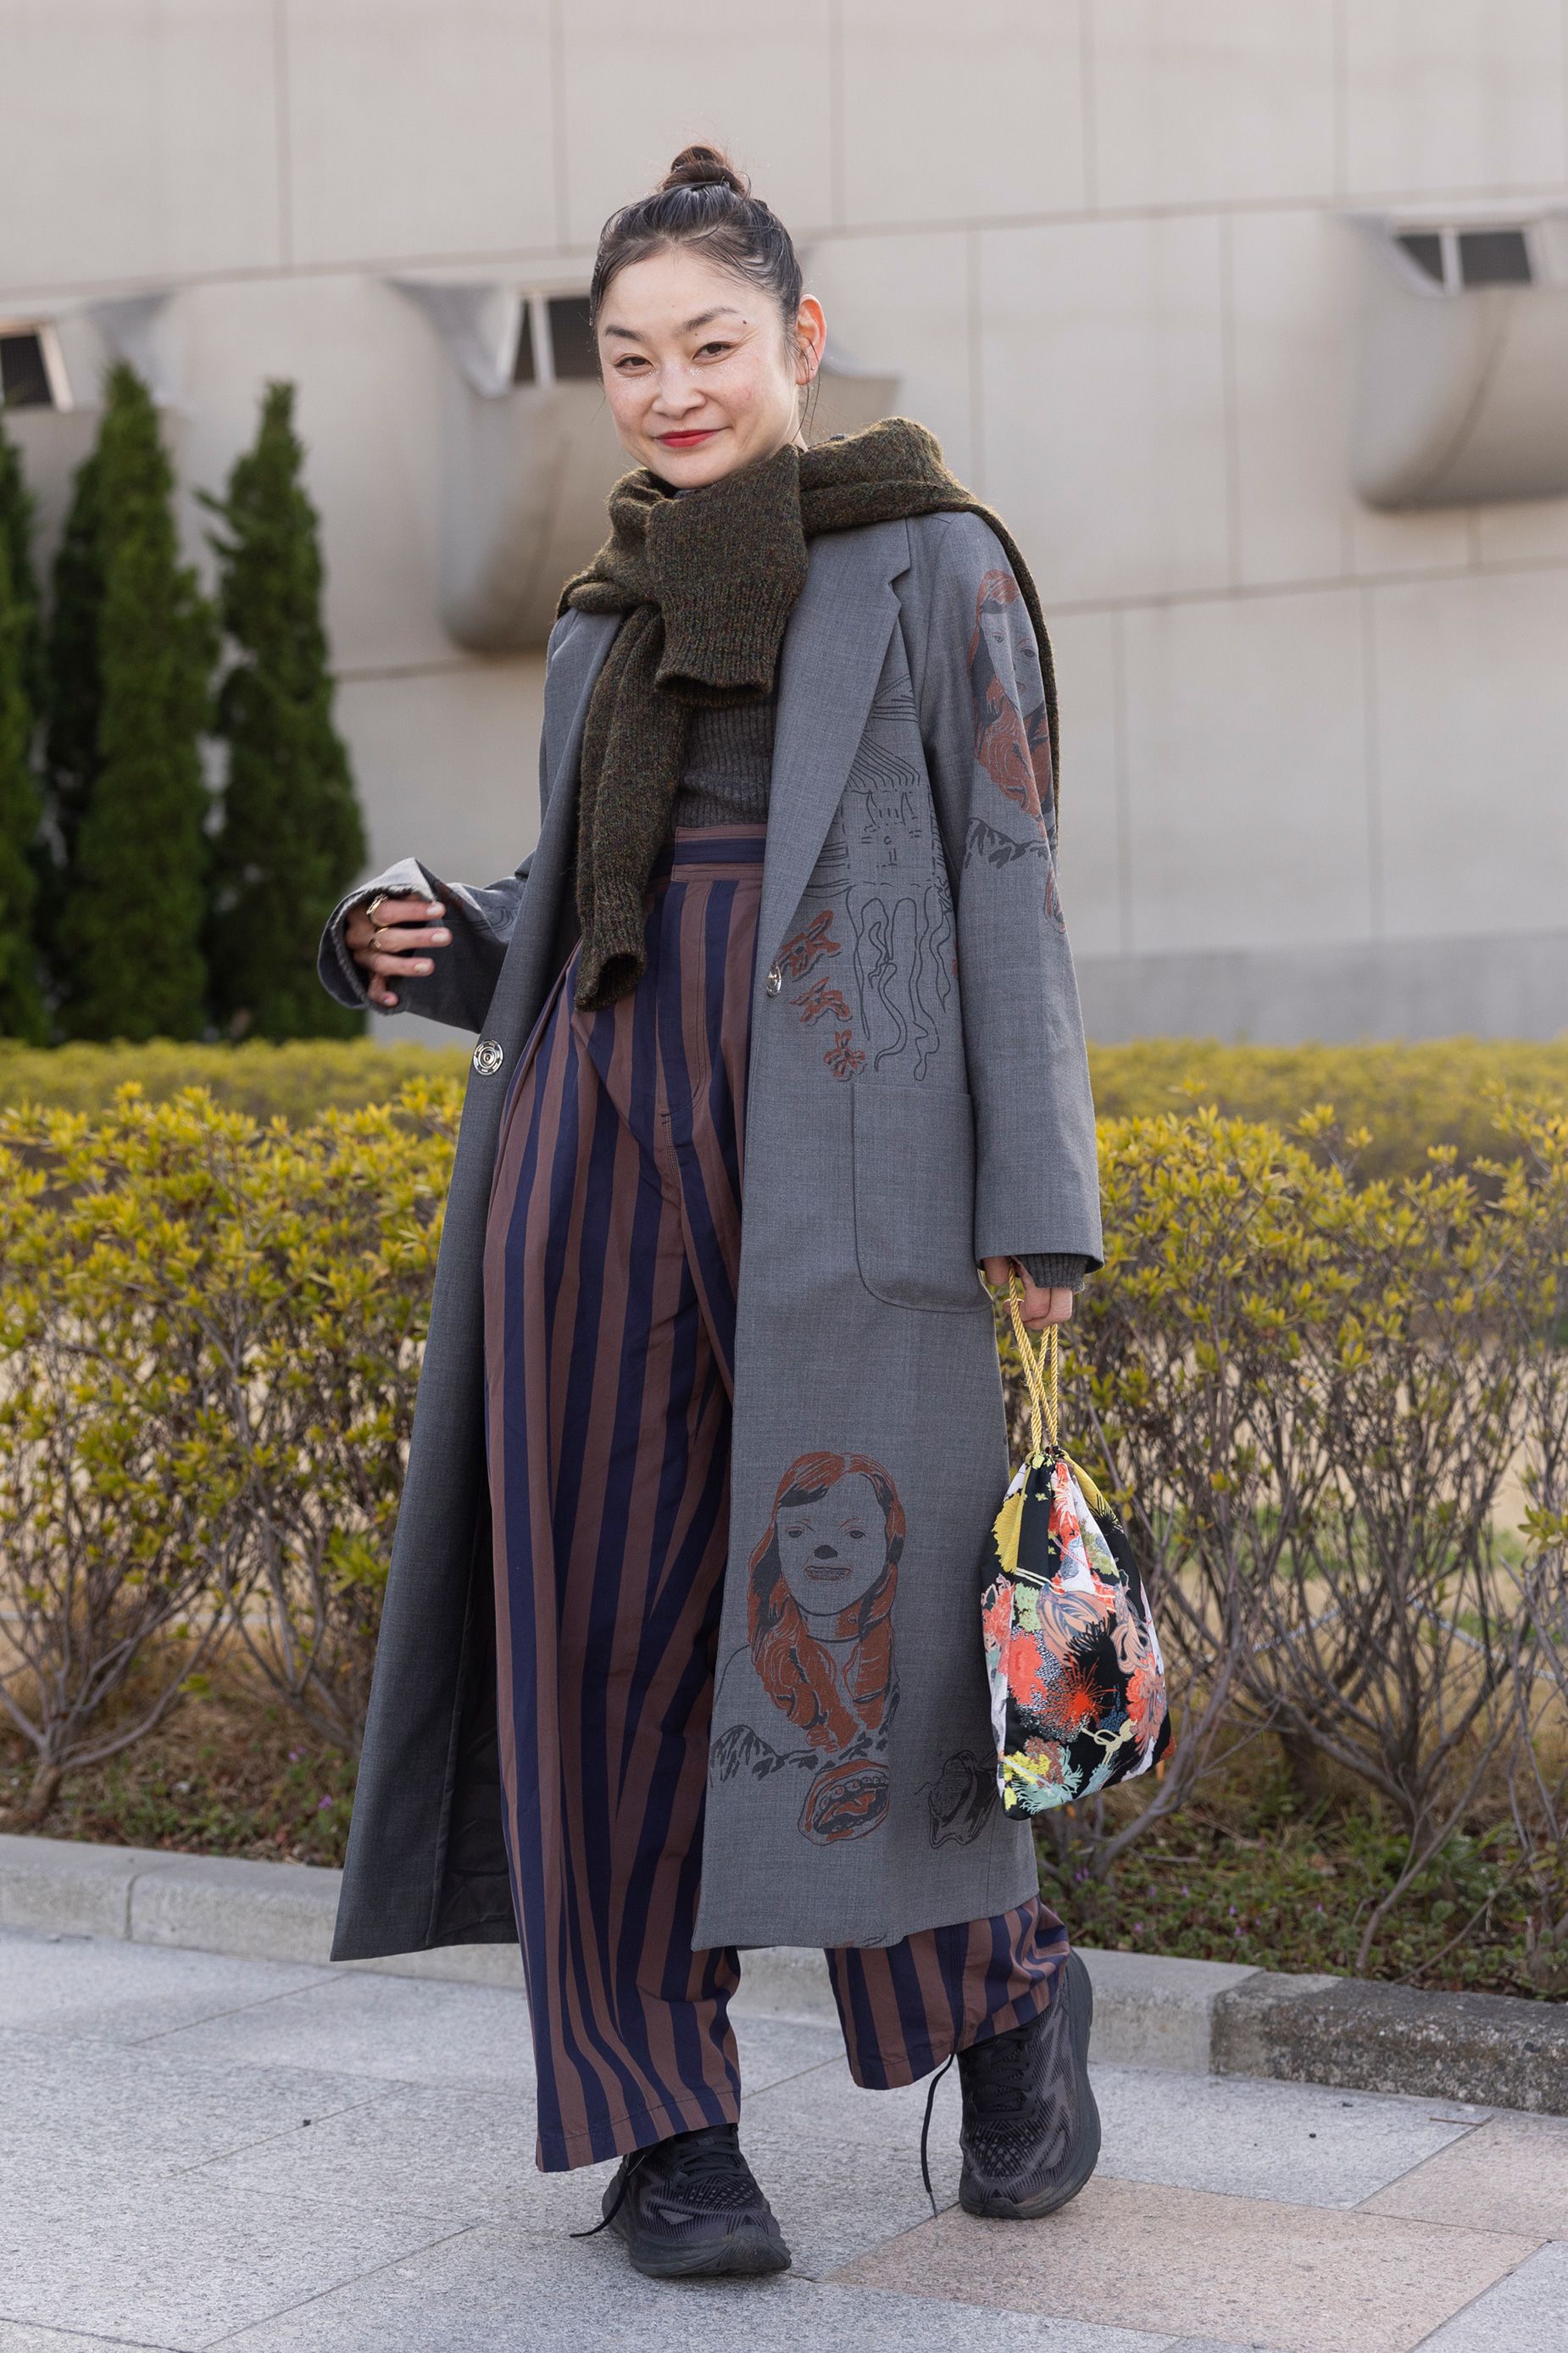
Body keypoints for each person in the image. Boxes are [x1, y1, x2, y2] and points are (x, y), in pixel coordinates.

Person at [319, 142, 1104, 2283]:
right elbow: (583, 902)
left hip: (845, 1146)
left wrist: (1038, 1203)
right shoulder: (606, 610)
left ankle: (1003, 1995)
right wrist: (432, 938)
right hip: (594, 1130)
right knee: (598, 1620)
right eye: (630, 356)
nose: (671, 391)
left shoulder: (938, 563)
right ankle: (657, 2116)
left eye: (713, 347)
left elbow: (1011, 886)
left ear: (800, 344)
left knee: (857, 1624)